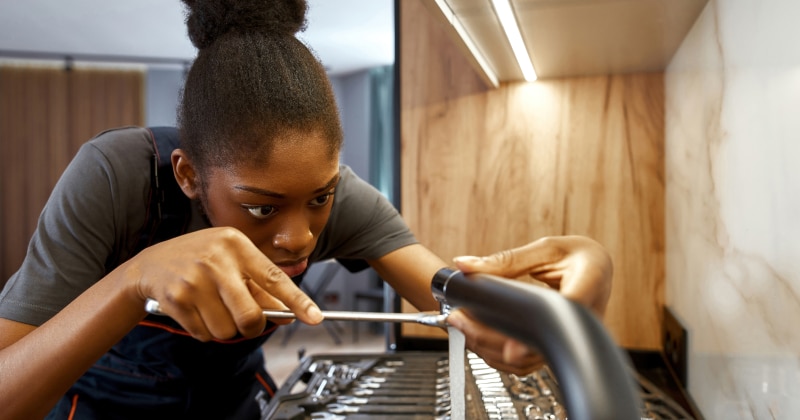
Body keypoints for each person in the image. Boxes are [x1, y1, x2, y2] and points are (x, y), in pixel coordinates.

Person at [0, 1, 613, 419]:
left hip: (231, 401)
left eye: (319, 199)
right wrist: (134, 280)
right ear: (188, 174)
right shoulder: (116, 178)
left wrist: (555, 308)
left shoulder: (338, 201)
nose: (299, 237)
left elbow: (452, 301)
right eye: (261, 210)